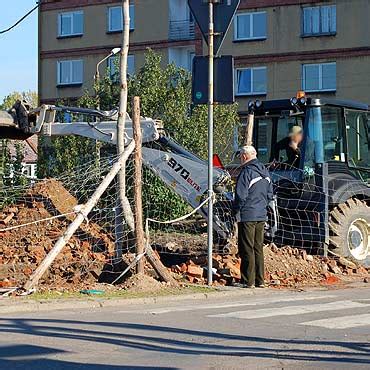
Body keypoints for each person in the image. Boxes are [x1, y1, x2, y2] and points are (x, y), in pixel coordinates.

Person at [234, 145, 273, 288]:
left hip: (247, 215)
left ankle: (247, 281)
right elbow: (269, 194)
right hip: (261, 215)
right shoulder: (265, 172)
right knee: (258, 247)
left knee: (246, 247)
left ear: (245, 156)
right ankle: (260, 280)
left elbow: (240, 195)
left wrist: (235, 211)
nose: (240, 160)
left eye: (240, 157)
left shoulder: (246, 172)